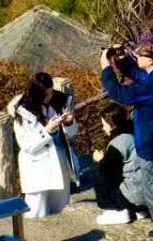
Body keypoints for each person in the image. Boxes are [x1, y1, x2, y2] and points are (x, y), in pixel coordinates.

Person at [100, 34, 153, 241]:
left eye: (139, 55)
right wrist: (121, 60)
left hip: (152, 142)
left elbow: (120, 93)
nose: (135, 57)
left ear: (150, 59)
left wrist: (106, 68)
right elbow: (139, 74)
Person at [10, 75, 75, 220]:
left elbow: (70, 135)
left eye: (50, 93)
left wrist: (68, 123)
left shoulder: (59, 102)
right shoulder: (23, 112)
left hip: (60, 163)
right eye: (45, 94)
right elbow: (26, 145)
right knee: (35, 212)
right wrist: (47, 130)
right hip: (37, 167)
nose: (48, 97)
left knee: (61, 209)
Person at [91, 102, 145, 226]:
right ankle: (142, 210)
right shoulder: (137, 132)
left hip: (134, 197)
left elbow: (108, 174)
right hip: (152, 194)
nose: (103, 128)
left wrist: (101, 160)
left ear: (112, 125)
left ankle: (116, 211)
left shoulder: (119, 143)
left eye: (104, 125)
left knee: (97, 169)